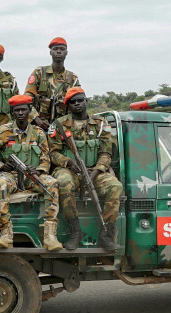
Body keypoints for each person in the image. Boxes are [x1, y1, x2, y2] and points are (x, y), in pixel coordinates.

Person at [48, 87, 122, 251]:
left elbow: (106, 153)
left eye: (80, 100)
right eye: (72, 102)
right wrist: (68, 162)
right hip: (70, 170)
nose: (77, 104)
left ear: (86, 101)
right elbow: (53, 153)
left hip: (94, 171)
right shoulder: (59, 125)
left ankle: (106, 234)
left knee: (115, 187)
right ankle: (75, 231)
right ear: (68, 106)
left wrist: (95, 172)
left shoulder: (100, 124)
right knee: (64, 182)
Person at [0, 95, 62, 251]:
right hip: (11, 175)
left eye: (23, 110)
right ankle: (5, 233)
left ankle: (50, 236)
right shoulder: (3, 131)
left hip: (31, 176)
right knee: (0, 184)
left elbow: (45, 157)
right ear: (12, 113)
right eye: (17, 110)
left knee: (52, 184)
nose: (20, 113)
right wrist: (1, 166)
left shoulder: (39, 133)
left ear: (30, 111)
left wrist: (40, 170)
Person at [24, 37, 80, 131]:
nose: (58, 52)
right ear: (50, 52)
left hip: (63, 127)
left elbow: (77, 102)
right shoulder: (40, 73)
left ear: (66, 53)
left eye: (62, 49)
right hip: (38, 126)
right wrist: (36, 118)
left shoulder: (72, 78)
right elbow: (27, 98)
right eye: (55, 49)